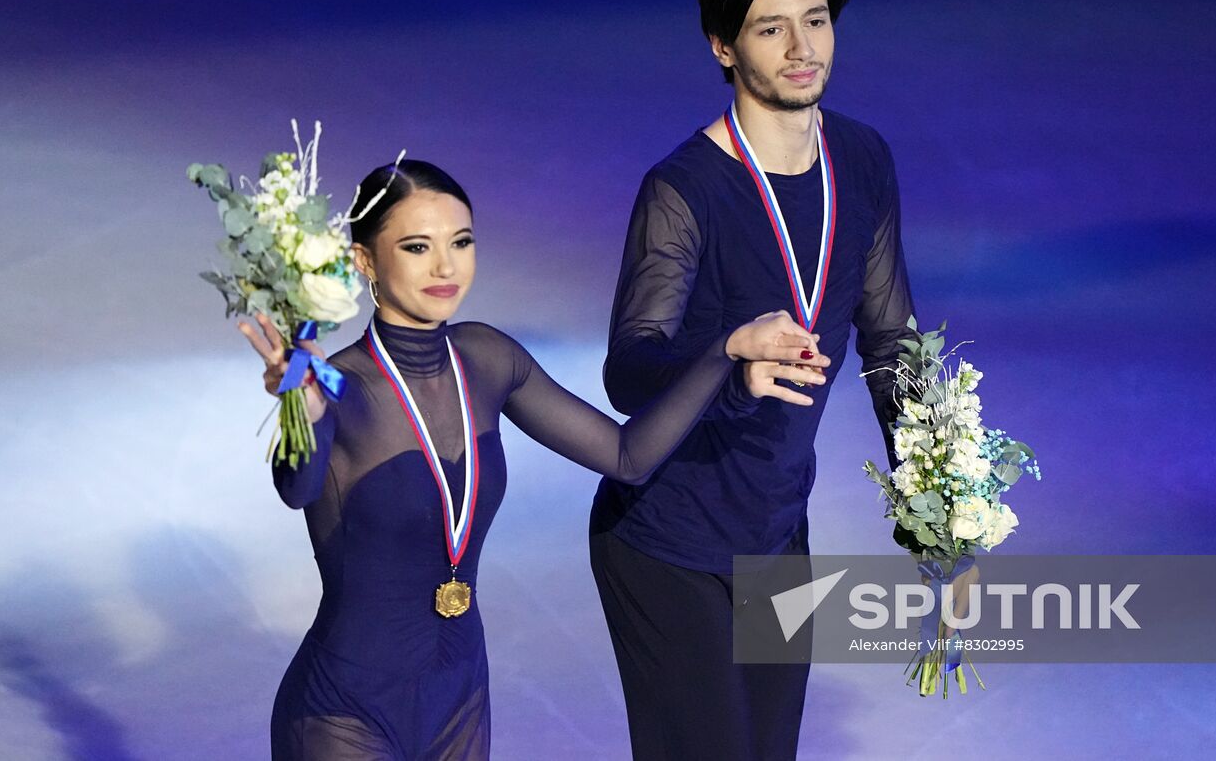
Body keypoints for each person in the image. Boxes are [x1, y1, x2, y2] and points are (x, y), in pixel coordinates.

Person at [238, 159, 827, 761]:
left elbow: (628, 457)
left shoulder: (488, 357)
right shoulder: (341, 386)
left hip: (460, 703)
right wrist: (302, 414)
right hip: (345, 714)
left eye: (461, 242)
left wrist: (726, 351)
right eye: (417, 247)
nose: (447, 267)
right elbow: (298, 487)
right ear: (365, 261)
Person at [589, 0, 917, 759]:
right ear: (723, 46)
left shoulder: (864, 159)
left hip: (776, 532)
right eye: (772, 29)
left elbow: (890, 342)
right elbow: (629, 369)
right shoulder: (684, 189)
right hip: (667, 540)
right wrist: (729, 361)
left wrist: (938, 515)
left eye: (817, 20)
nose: (803, 49)